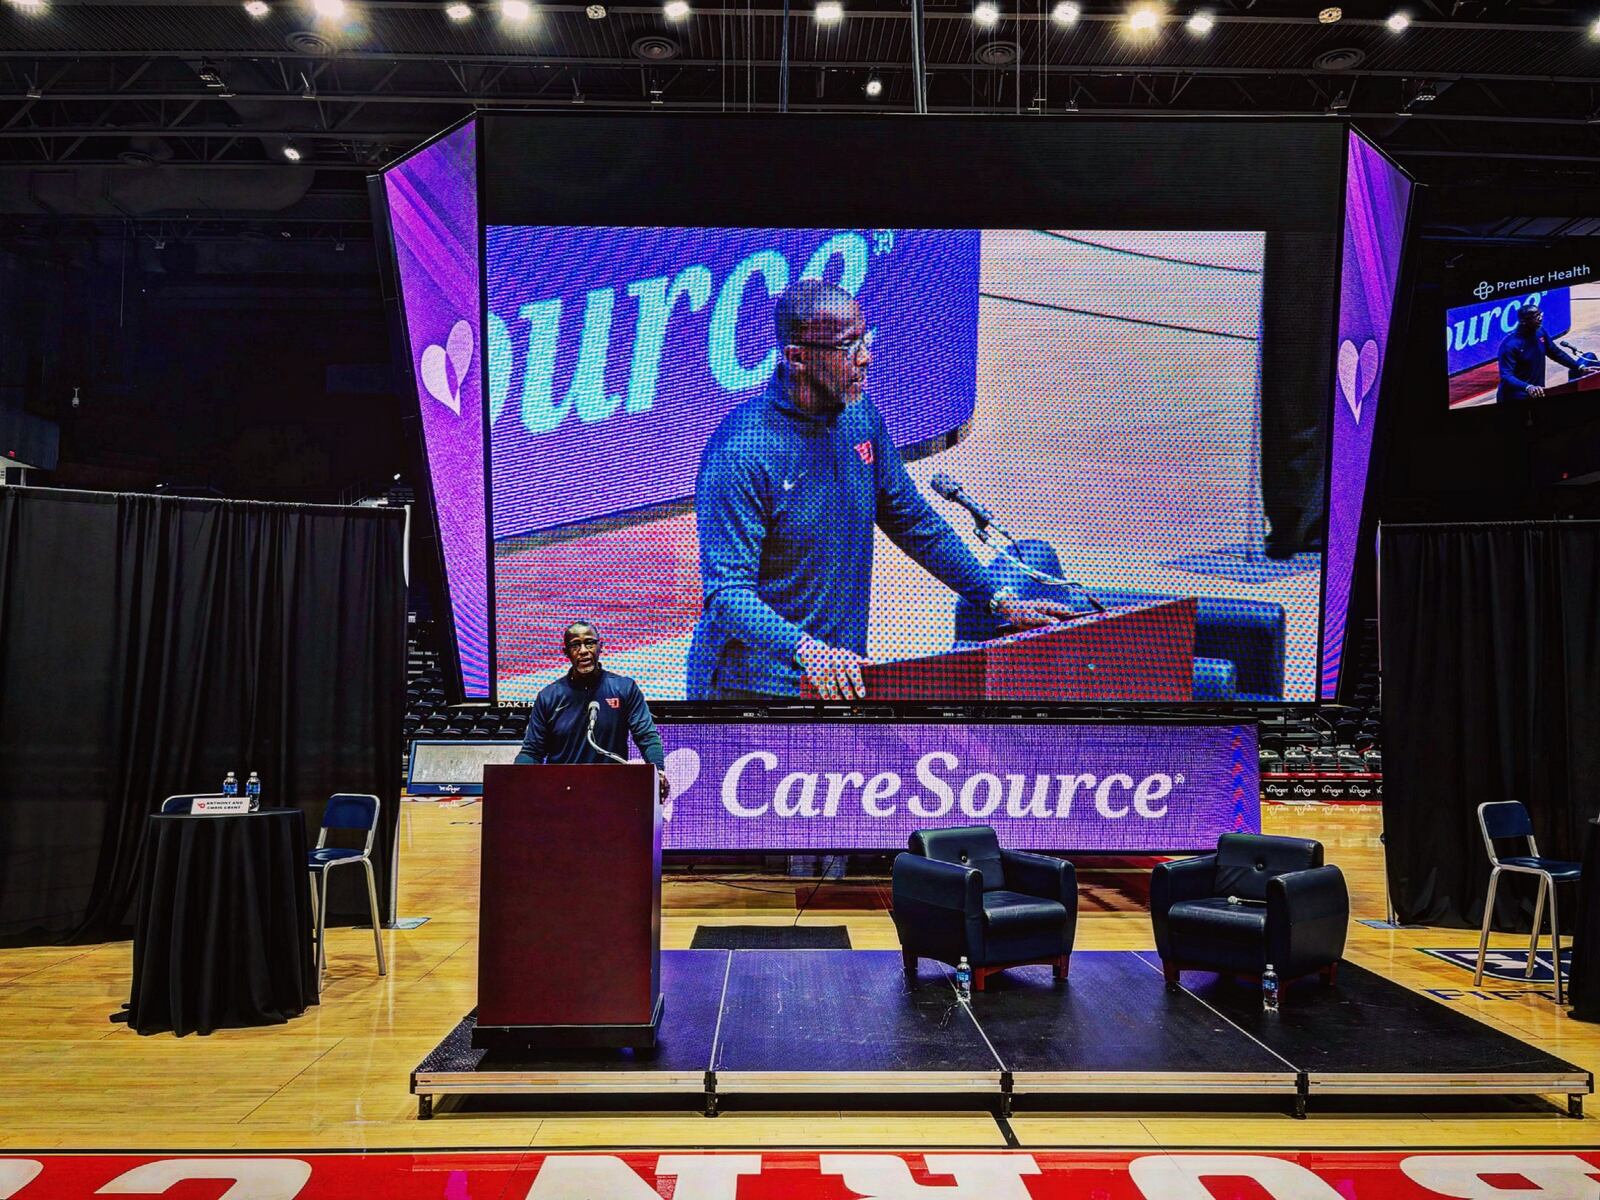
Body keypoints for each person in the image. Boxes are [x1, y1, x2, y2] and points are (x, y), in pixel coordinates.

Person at [687, 278, 1076, 702]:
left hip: (836, 678)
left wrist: (995, 599)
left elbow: (913, 521)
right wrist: (808, 652)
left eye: (864, 340)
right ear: (797, 357)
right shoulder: (742, 453)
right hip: (751, 691)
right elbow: (727, 595)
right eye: (847, 348)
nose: (865, 358)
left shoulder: (859, 416)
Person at [516, 620, 670, 799]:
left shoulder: (625, 689)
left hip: (611, 793)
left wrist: (658, 771)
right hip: (561, 795)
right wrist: (514, 779)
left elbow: (646, 736)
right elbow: (532, 751)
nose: (583, 651)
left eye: (589, 643)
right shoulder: (548, 697)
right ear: (566, 653)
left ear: (600, 646)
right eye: (575, 645)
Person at [1498, 304, 1583, 404]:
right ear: (1524, 321)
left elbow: (1555, 353)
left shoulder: (1540, 332)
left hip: (1537, 392)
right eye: (1536, 317)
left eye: (1540, 314)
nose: (1541, 318)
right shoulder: (1510, 345)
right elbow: (1506, 376)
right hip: (1515, 397)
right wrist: (1528, 387)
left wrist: (1579, 367)